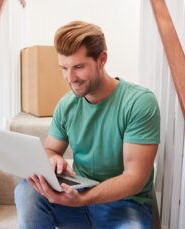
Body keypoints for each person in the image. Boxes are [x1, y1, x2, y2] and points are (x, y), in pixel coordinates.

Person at [14, 20, 160, 228]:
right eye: (64, 68)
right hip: (78, 197)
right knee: (26, 191)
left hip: (124, 205)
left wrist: (83, 199)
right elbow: (50, 149)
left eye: (79, 67)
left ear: (102, 59)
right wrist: (54, 158)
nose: (70, 77)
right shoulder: (66, 105)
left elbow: (134, 177)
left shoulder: (138, 102)